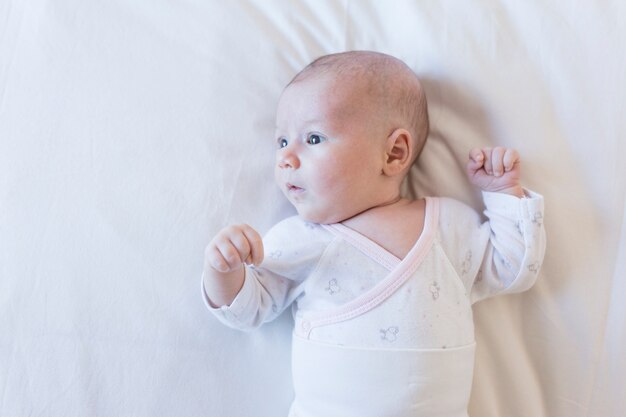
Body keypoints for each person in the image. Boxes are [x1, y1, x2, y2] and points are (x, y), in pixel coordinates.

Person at [202, 51, 546, 417]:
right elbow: (246, 311)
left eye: (313, 138)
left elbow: (513, 268)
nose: (286, 158)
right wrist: (224, 270)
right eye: (282, 142)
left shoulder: (447, 226)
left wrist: (503, 194)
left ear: (394, 153)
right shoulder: (300, 240)